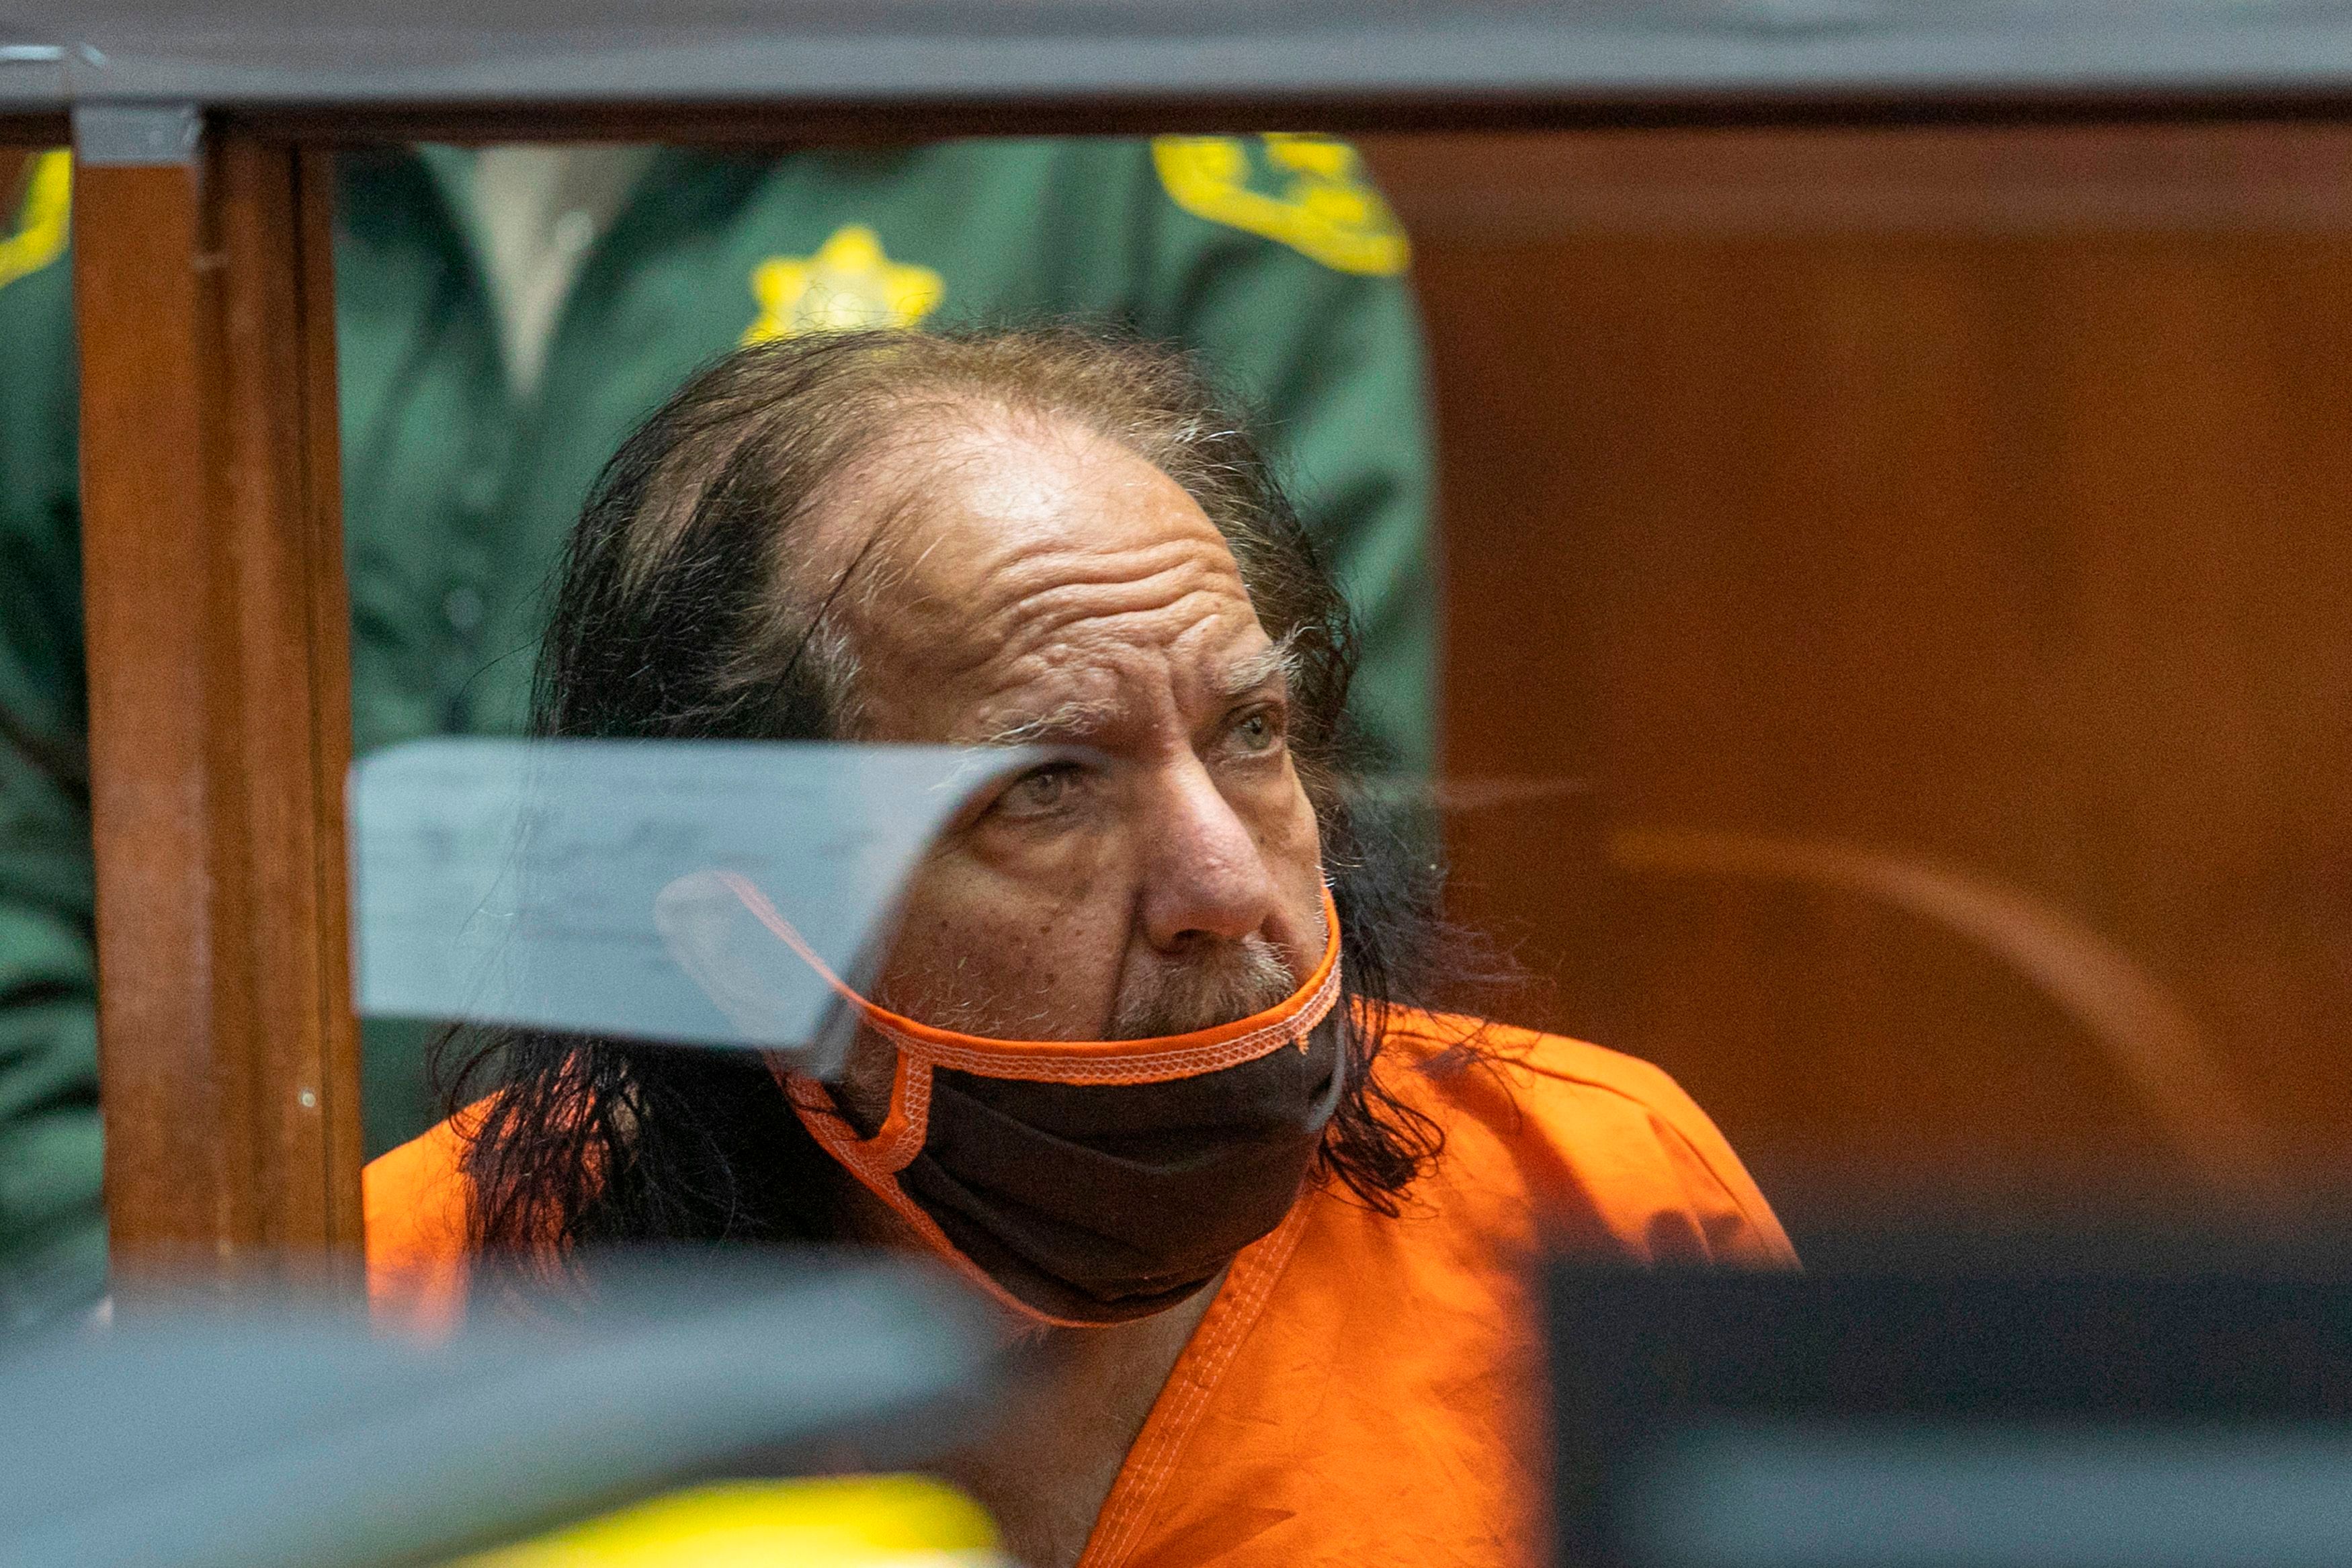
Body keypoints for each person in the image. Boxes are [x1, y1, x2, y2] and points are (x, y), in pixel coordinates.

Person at [366, 328, 1793, 1568]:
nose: (1225, 886)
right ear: (751, 951)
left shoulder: (1594, 1197)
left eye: (1249, 733)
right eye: (1043, 787)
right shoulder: (396, 1318)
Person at [0, 136, 1436, 1291]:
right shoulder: (158, 145)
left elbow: (1287, 774)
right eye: (1045, 779)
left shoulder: (1136, 153)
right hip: (253, 1310)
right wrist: (143, 1317)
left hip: (915, 1269)